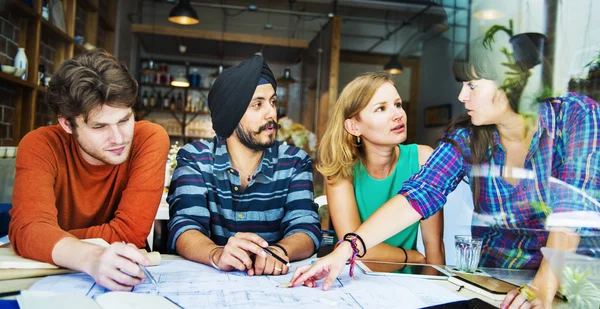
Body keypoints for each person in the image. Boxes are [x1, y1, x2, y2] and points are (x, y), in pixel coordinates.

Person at [291, 39, 600, 309]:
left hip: (573, 284)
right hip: (495, 289)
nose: (462, 97)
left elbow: (572, 211)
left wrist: (543, 287)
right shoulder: (468, 138)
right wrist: (344, 250)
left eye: (472, 86)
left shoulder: (575, 116)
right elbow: (419, 195)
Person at [9, 49, 170, 291]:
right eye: (99, 126)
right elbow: (29, 229)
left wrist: (48, 239)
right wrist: (89, 257)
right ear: (67, 124)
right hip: (50, 282)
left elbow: (130, 233)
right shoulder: (40, 145)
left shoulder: (149, 138)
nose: (118, 138)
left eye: (125, 120)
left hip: (126, 282)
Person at [167, 55, 321, 276]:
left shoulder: (294, 162)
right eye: (257, 104)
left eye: (273, 102)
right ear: (231, 115)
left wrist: (279, 251)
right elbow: (184, 225)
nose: (272, 113)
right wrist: (216, 254)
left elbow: (306, 226)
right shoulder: (195, 160)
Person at [317, 72, 445, 265]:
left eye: (398, 104)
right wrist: (413, 257)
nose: (397, 114)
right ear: (353, 127)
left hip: (406, 283)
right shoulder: (340, 170)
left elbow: (434, 246)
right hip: (352, 280)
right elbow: (354, 249)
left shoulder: (424, 159)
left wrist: (437, 293)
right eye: (381, 109)